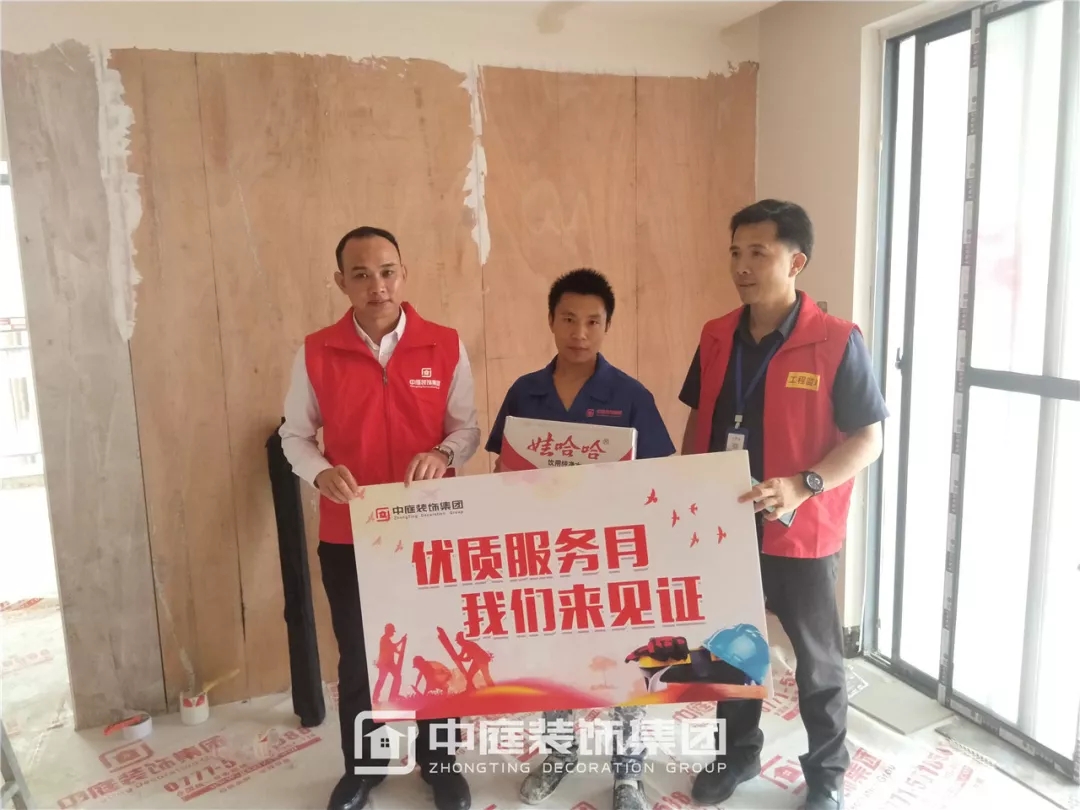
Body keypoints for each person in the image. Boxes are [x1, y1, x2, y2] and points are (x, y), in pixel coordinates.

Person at [678, 200, 888, 810]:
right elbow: (700, 418)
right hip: (727, 526)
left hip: (801, 530)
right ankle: (738, 754)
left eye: (758, 253)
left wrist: (804, 484)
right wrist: (689, 491)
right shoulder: (716, 334)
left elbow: (868, 439)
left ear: (796, 262)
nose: (741, 267)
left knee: (817, 663)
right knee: (730, 652)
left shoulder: (837, 340)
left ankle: (827, 775)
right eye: (735, 253)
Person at [279, 226, 481, 810]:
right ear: (341, 282)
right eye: (361, 275)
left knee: (437, 647)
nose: (377, 286)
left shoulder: (445, 345)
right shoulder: (317, 351)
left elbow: (466, 429)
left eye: (387, 272)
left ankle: (440, 763)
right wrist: (319, 473)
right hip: (351, 532)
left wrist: (443, 454)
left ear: (404, 274)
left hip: (432, 527)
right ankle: (364, 767)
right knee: (361, 655)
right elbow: (294, 436)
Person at [485, 268, 676, 810]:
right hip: (545, 555)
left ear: (607, 326)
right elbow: (503, 469)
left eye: (593, 321)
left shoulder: (630, 396)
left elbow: (661, 476)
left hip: (614, 556)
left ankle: (628, 773)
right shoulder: (526, 391)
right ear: (551, 321)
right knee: (553, 658)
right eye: (568, 319)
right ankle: (559, 753)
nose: (579, 332)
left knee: (626, 662)